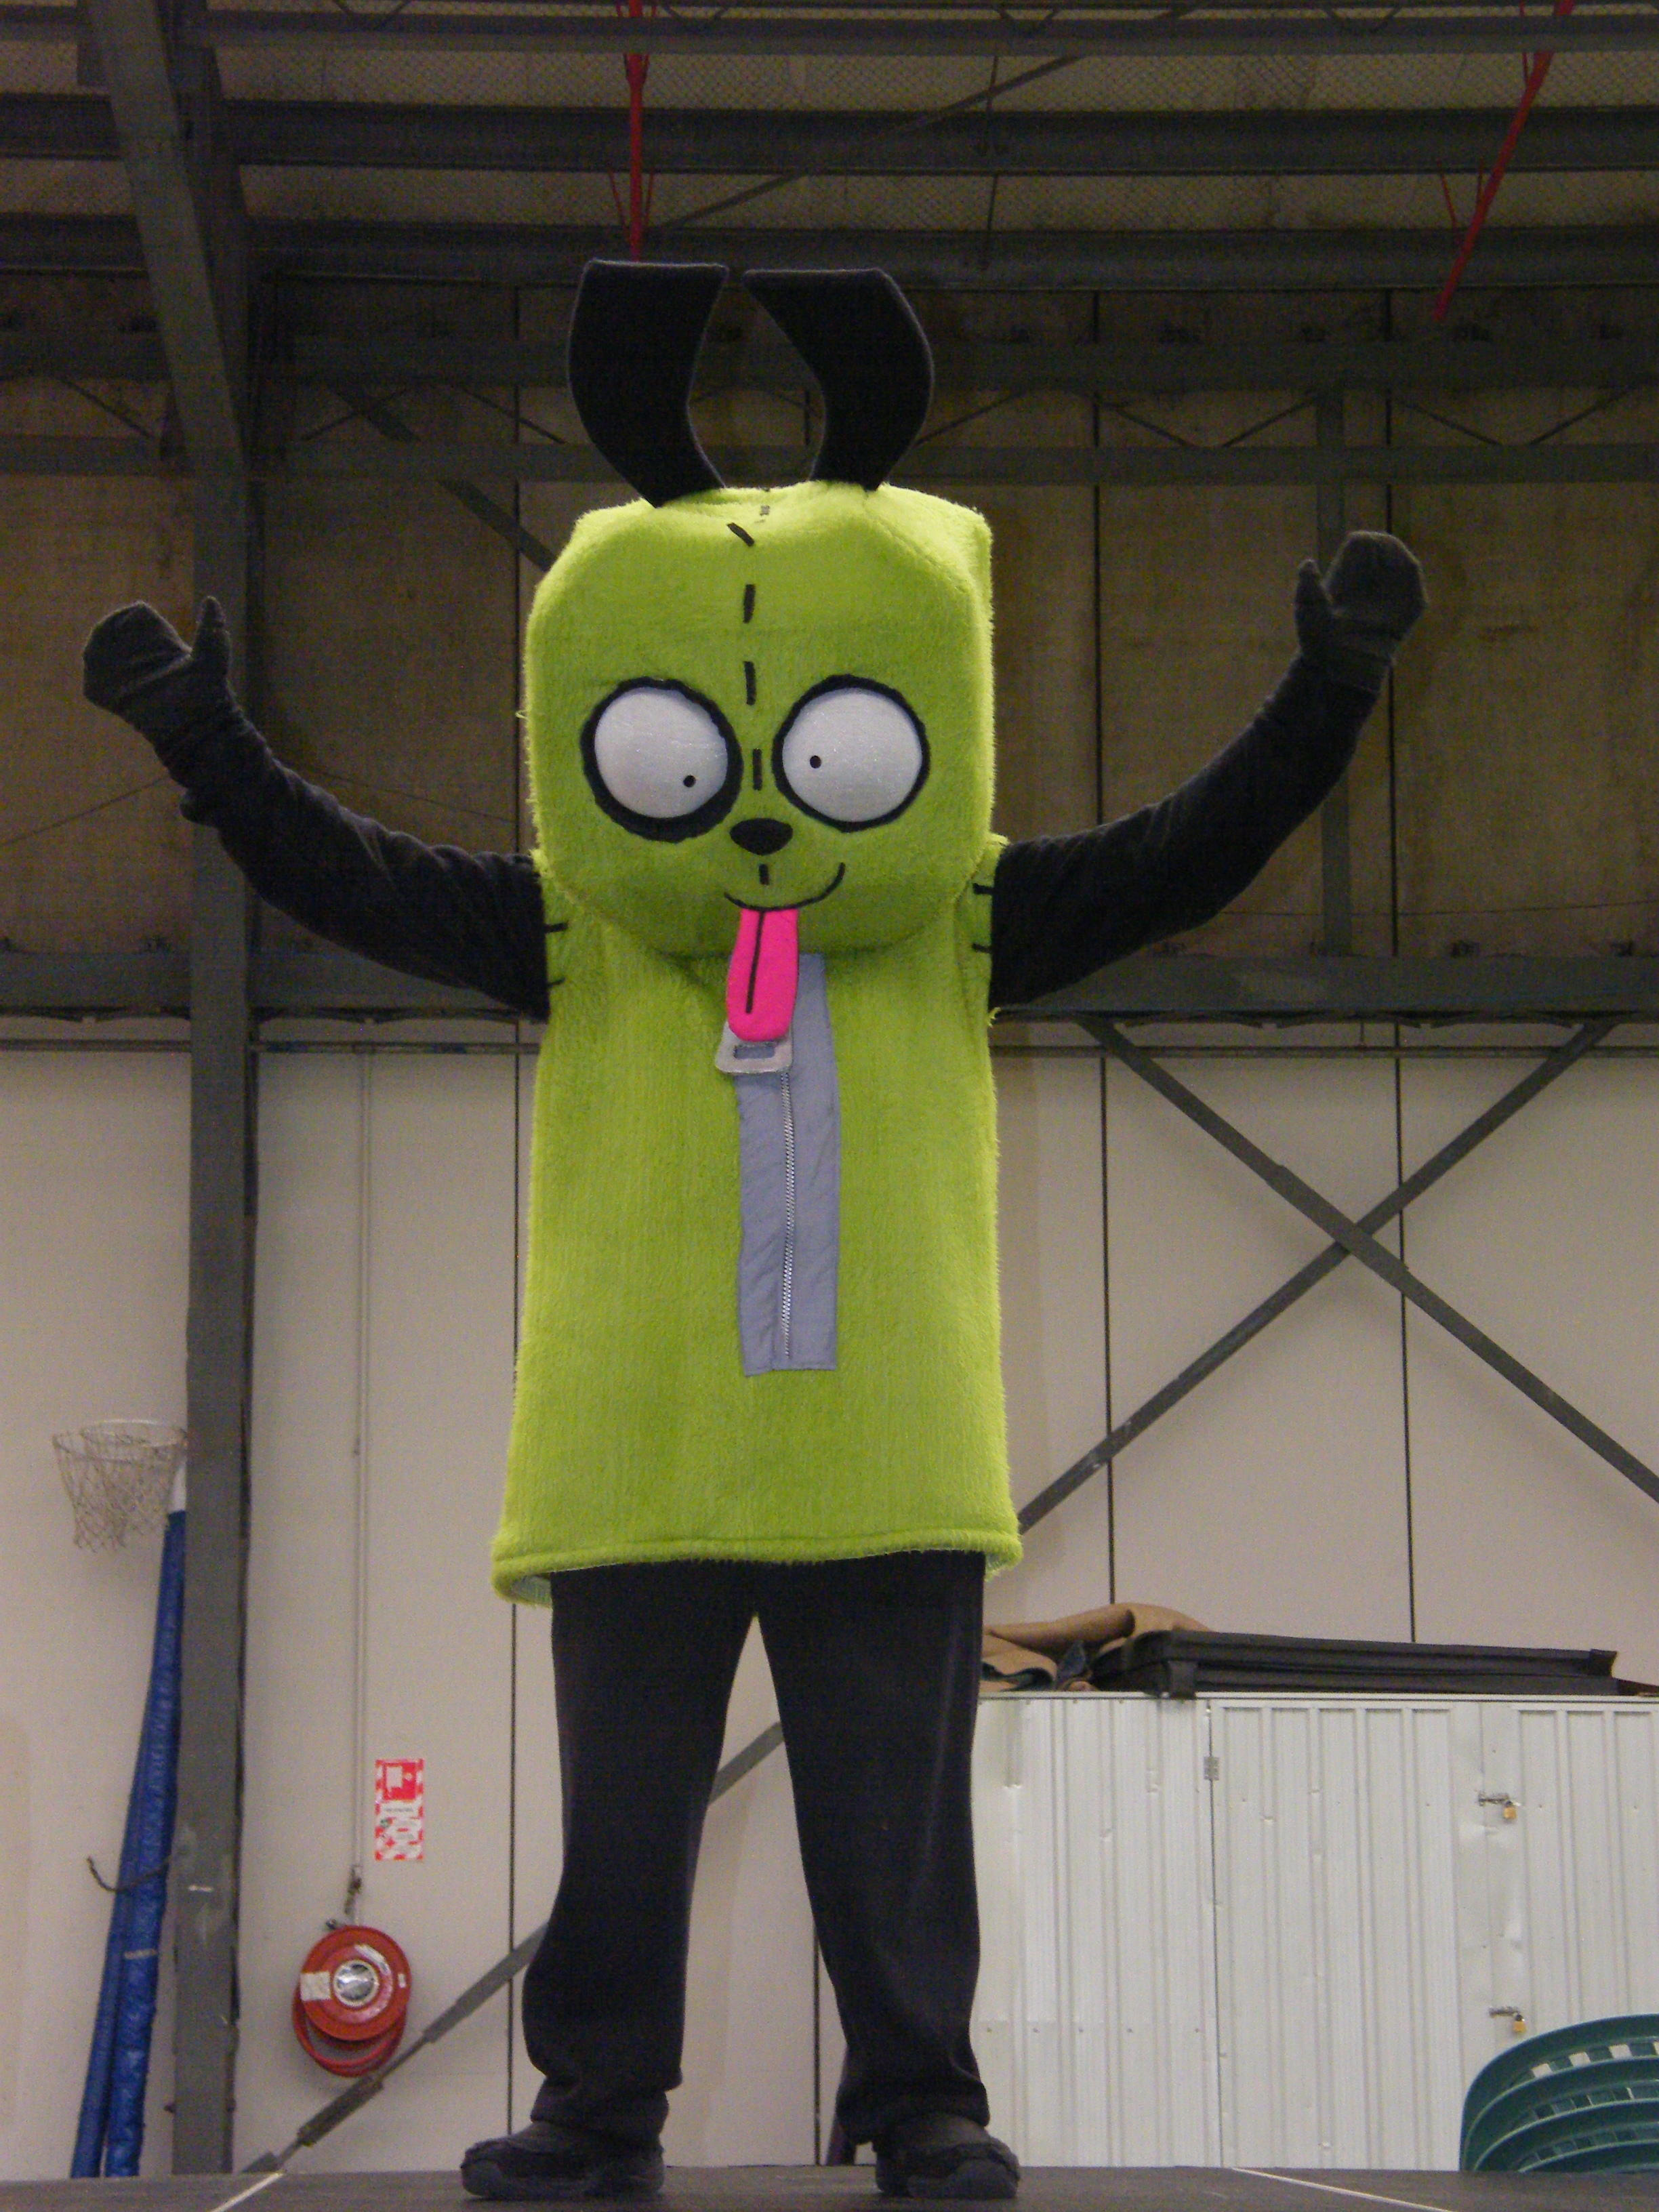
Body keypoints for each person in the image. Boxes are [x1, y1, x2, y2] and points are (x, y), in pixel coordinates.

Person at [83, 262, 1424, 2204]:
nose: (774, 817)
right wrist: (204, 746)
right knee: (624, 1816)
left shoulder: (957, 917)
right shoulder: (581, 928)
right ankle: (596, 2112)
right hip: (645, 1446)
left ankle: (921, 2103)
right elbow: (345, 876)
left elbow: (1184, 855)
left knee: (895, 1820)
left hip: (876, 1442)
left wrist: (1328, 695)